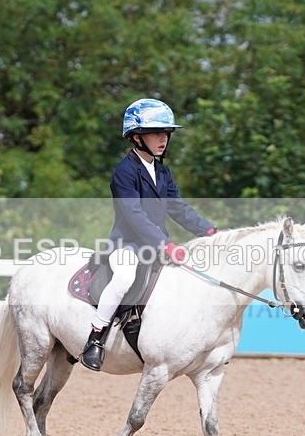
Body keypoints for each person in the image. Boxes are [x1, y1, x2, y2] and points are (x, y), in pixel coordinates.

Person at [80, 98, 217, 371]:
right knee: (123, 278)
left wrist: (209, 230)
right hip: (127, 244)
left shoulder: (162, 171)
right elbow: (135, 216)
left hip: (155, 246)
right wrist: (165, 245)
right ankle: (96, 337)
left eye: (165, 133)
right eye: (156, 133)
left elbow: (177, 206)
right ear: (136, 137)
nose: (163, 138)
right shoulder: (124, 172)